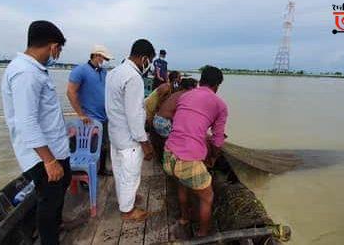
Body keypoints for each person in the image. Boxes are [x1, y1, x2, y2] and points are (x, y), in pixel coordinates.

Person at [1, 20, 71, 245]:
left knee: (61, 189)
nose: (57, 54)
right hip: (42, 155)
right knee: (49, 201)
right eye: (59, 49)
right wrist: (49, 161)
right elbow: (27, 121)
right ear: (52, 46)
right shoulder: (25, 73)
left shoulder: (34, 70)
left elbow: (43, 113)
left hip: (55, 147)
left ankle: (57, 226)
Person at [163, 66, 228, 237]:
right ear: (217, 85)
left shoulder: (185, 96)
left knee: (182, 185)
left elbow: (187, 123)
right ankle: (202, 234)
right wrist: (213, 157)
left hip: (168, 154)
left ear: (200, 81)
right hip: (187, 159)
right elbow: (218, 140)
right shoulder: (220, 105)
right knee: (207, 197)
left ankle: (185, 219)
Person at [105, 39, 155, 221]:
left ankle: (127, 199)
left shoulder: (114, 72)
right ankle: (127, 211)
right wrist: (145, 143)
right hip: (129, 138)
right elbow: (134, 115)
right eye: (149, 60)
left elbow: (111, 105)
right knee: (131, 174)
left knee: (120, 172)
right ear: (144, 58)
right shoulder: (134, 78)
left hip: (115, 133)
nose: (148, 66)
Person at [67, 44, 114, 176]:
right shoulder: (80, 70)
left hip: (104, 117)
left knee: (104, 145)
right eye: (102, 58)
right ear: (96, 55)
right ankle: (84, 175)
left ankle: (102, 169)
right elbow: (71, 92)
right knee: (88, 148)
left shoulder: (104, 72)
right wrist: (80, 114)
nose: (103, 61)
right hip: (89, 119)